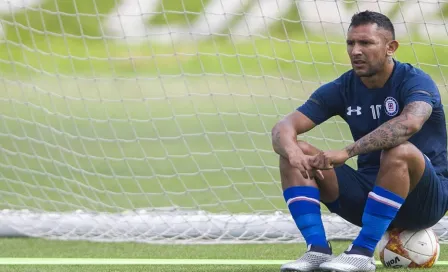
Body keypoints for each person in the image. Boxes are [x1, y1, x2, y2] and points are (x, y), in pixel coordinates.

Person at [271, 10, 448, 272]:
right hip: (369, 195)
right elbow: (283, 127)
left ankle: (362, 253)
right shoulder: (344, 86)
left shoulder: (414, 81)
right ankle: (317, 250)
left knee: (398, 149)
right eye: (351, 43)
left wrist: (347, 151)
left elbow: (408, 124)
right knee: (293, 150)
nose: (356, 51)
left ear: (391, 48)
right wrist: (294, 154)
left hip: (425, 200)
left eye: (366, 43)